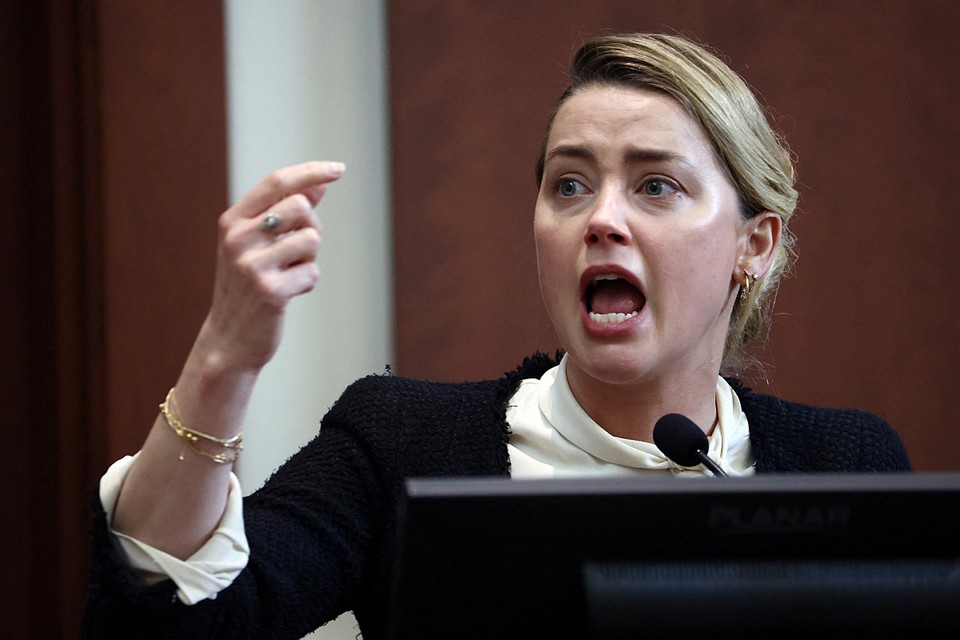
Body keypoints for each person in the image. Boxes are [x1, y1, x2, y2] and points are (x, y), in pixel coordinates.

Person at [82, 32, 910, 639]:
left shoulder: (848, 465)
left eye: (656, 185)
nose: (602, 219)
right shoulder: (401, 445)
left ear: (752, 246)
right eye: (570, 184)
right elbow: (176, 622)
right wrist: (224, 358)